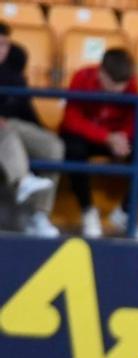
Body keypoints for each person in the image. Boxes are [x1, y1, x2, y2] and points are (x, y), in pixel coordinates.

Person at [59, 48, 138, 239]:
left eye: (122, 86)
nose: (118, 91)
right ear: (101, 72)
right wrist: (105, 137)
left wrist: (123, 138)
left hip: (116, 138)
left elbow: (134, 117)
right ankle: (88, 211)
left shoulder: (131, 84)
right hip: (87, 136)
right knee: (73, 149)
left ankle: (125, 213)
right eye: (112, 86)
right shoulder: (81, 77)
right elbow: (71, 118)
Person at [0, 22, 63, 238]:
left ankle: (39, 215)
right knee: (7, 133)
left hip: (13, 126)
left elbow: (25, 108)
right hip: (4, 131)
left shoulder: (13, 75)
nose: (1, 50)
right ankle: (22, 180)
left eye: (5, 45)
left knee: (53, 146)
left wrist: (44, 131)